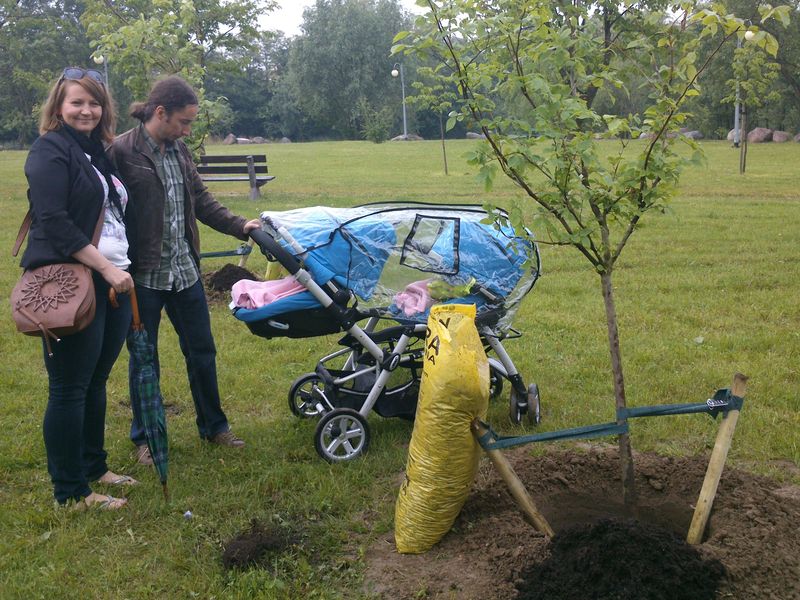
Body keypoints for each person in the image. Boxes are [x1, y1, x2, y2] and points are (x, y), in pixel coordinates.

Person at [110, 75, 261, 464]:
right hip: (143, 277)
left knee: (201, 351)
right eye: (184, 122)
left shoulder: (179, 151)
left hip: (185, 273)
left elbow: (202, 202)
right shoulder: (121, 152)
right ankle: (145, 438)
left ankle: (214, 427)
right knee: (144, 358)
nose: (188, 130)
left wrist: (241, 225)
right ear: (160, 113)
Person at [22, 67, 137, 510]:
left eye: (94, 102)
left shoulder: (96, 152)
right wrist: (105, 269)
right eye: (77, 102)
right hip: (74, 282)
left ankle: (95, 466)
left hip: (114, 280)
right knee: (69, 387)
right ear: (59, 106)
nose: (87, 110)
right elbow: (53, 220)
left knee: (96, 380)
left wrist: (119, 269)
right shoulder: (48, 151)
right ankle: (70, 492)